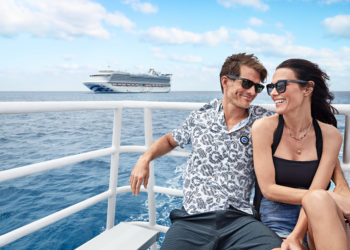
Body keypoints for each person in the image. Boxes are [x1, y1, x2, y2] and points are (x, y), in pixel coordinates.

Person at [129, 53, 283, 249]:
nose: (252, 91)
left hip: (239, 219)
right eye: (246, 83)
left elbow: (299, 124)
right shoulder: (201, 117)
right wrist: (145, 158)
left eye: (258, 87)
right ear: (225, 81)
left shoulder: (264, 121)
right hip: (193, 219)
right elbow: (170, 140)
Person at [252, 58, 344, 249]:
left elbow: (316, 192)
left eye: (281, 85)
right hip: (275, 222)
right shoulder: (264, 128)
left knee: (318, 198)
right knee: (319, 197)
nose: (274, 93)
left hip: (316, 221)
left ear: (307, 89)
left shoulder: (330, 135)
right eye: (271, 87)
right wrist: (327, 199)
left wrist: (296, 236)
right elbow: (268, 189)